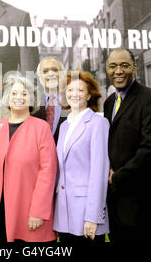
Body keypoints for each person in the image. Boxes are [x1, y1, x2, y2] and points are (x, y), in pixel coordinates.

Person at [0, 76, 57, 242]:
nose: (18, 98)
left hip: (29, 213)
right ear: (7, 98)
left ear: (32, 99)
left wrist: (38, 212)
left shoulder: (41, 128)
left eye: (24, 94)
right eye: (14, 93)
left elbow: (48, 173)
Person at [103, 48, 151, 243]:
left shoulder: (150, 99)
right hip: (114, 201)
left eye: (124, 65)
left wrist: (117, 176)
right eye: (113, 66)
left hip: (140, 202)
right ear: (107, 70)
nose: (118, 71)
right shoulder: (109, 103)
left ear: (135, 68)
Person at [53, 71, 110, 243]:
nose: (74, 95)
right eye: (70, 90)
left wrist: (93, 216)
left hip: (86, 213)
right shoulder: (64, 126)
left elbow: (99, 172)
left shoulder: (98, 123)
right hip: (63, 212)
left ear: (90, 95)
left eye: (80, 90)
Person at [34, 57, 67, 143]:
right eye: (45, 71)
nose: (51, 74)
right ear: (39, 76)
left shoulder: (72, 102)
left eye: (55, 70)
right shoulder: (32, 103)